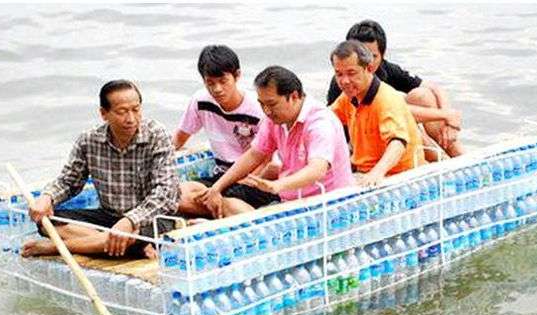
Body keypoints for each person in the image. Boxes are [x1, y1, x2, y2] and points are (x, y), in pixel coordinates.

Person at [22, 80, 180, 259]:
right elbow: (69, 181)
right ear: (104, 114)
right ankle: (116, 245)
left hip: (149, 221)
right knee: (48, 222)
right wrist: (47, 197)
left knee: (133, 237)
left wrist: (130, 220)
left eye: (136, 110)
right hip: (108, 217)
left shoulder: (157, 135)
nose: (131, 119)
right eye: (122, 112)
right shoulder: (89, 140)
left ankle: (55, 247)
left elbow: (166, 194)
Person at [197, 66, 355, 218]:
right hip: (288, 198)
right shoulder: (274, 119)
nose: (266, 111)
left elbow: (317, 169)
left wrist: (278, 185)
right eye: (262, 104)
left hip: (325, 205)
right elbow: (254, 155)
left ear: (293, 96)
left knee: (232, 207)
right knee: (212, 198)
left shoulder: (320, 123)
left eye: (272, 104)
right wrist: (217, 187)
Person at [326, 20, 466, 161]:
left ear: (382, 54)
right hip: (355, 141)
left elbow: (433, 87)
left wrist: (450, 122)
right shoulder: (346, 82)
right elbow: (391, 109)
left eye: (372, 56)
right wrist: (445, 115)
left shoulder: (385, 70)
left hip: (384, 129)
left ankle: (460, 156)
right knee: (408, 124)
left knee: (422, 95)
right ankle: (444, 162)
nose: (368, 62)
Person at [174, 45, 279, 219]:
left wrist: (239, 183)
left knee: (228, 199)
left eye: (223, 81)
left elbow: (265, 158)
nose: (217, 89)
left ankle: (219, 211)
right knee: (176, 195)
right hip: (222, 173)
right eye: (210, 83)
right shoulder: (201, 101)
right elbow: (179, 138)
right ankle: (225, 212)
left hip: (252, 177)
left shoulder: (257, 108)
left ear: (237, 76)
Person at [329, 40, 426, 187]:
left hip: (397, 176)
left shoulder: (386, 99)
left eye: (351, 73)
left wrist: (377, 172)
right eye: (339, 74)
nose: (345, 81)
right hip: (362, 170)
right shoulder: (348, 97)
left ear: (369, 68)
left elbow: (398, 142)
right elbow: (325, 120)